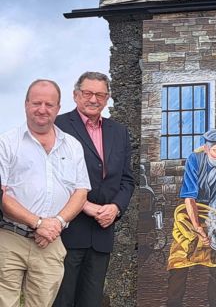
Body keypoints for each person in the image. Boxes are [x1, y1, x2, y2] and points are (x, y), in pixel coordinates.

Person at [0, 79, 90, 306]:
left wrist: (56, 223)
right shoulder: (6, 143)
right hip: (10, 239)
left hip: (51, 243)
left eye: (49, 104)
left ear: (58, 108)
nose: (42, 109)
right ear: (26, 104)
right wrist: (38, 222)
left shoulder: (72, 146)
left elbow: (80, 192)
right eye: (36, 103)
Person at [53, 72, 135, 307]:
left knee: (91, 301)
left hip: (102, 233)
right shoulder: (58, 126)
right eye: (88, 93)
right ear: (76, 95)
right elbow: (53, 175)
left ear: (107, 98)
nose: (93, 99)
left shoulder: (119, 132)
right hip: (66, 231)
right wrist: (84, 205)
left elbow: (127, 180)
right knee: (62, 300)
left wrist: (116, 207)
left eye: (100, 94)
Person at [166, 129, 216, 307]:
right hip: (194, 212)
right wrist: (197, 228)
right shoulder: (195, 159)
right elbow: (189, 197)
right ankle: (174, 303)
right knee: (179, 262)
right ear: (207, 149)